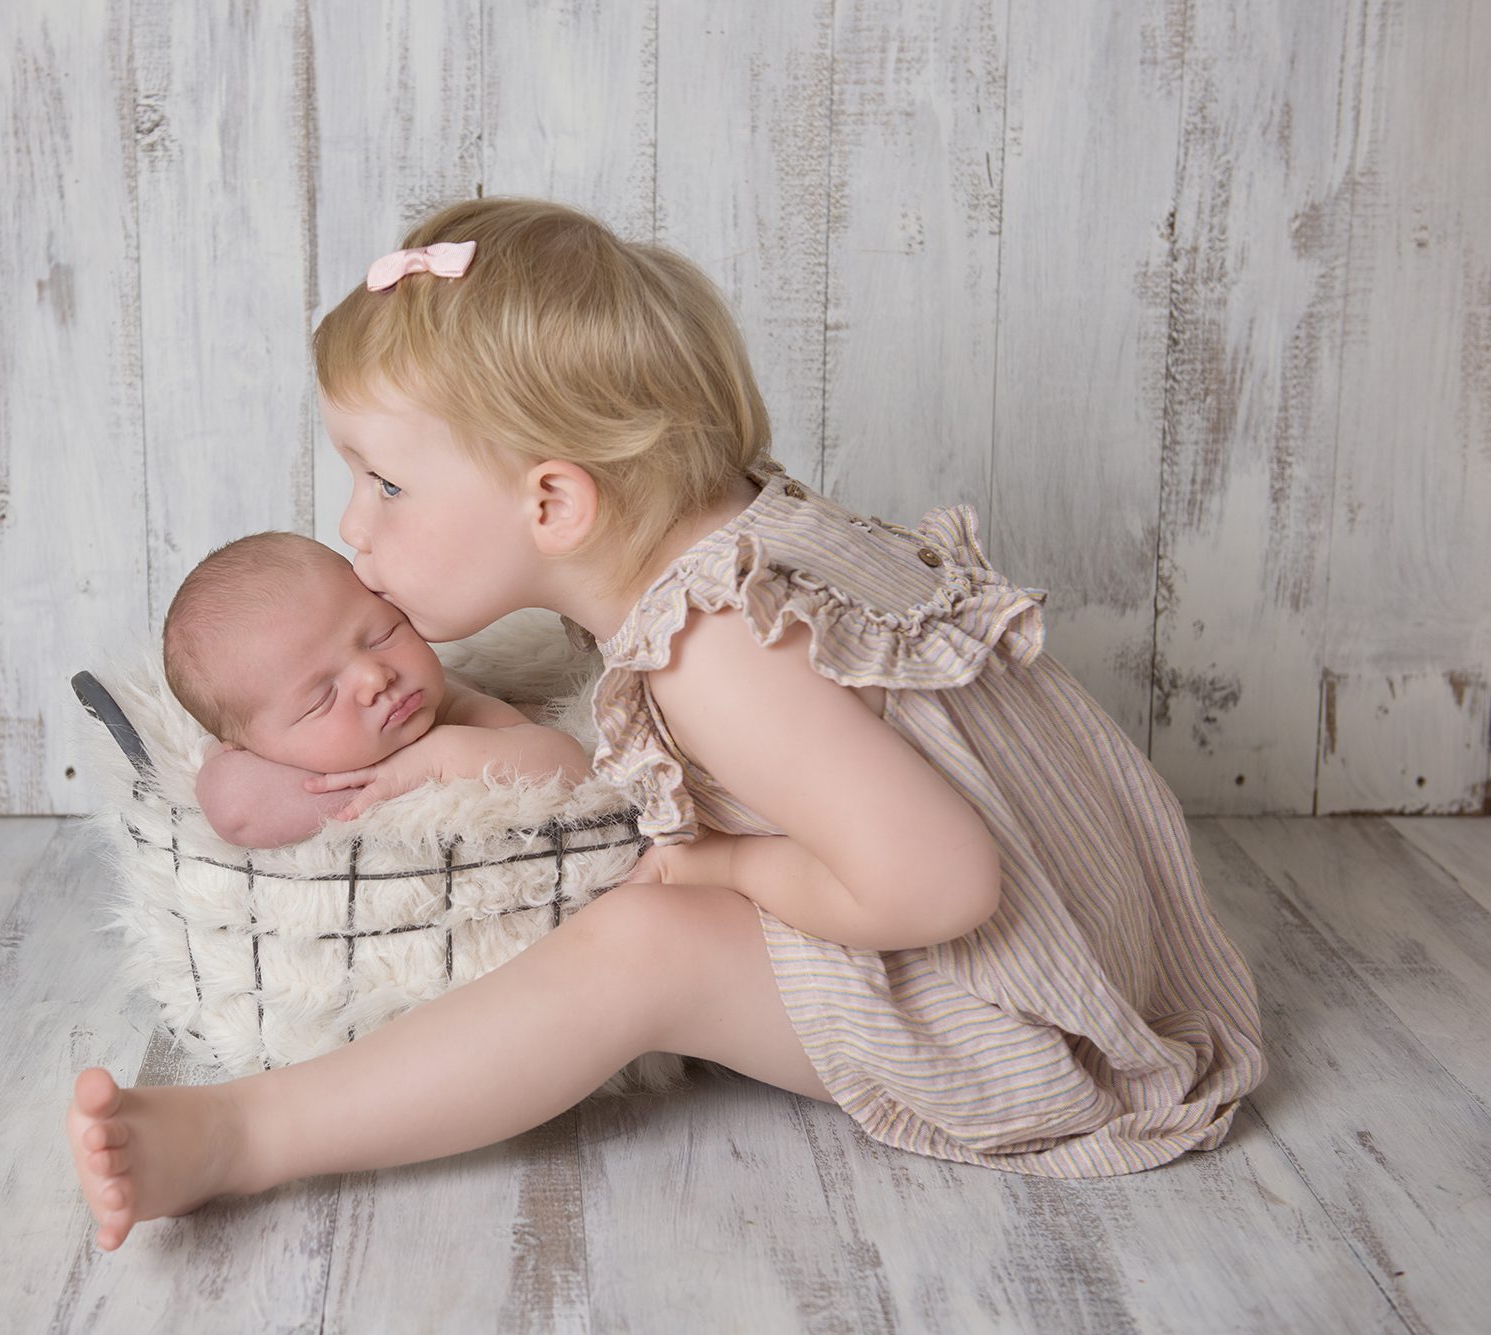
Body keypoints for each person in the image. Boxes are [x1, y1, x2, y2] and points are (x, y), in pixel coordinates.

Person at [67, 198, 1266, 1250]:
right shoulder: (732, 535)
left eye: (382, 482)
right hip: (1095, 943)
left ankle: (241, 1134)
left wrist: (727, 865)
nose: (354, 527)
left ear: (551, 500)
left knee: (642, 944)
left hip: (1026, 1026)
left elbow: (940, 884)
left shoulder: (709, 650)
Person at [162, 530, 589, 847]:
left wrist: (435, 762)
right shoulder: (270, 759)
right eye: (322, 698)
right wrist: (368, 793)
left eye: (383, 635)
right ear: (249, 746)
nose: (375, 677)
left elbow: (570, 763)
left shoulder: (455, 711)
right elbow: (236, 805)